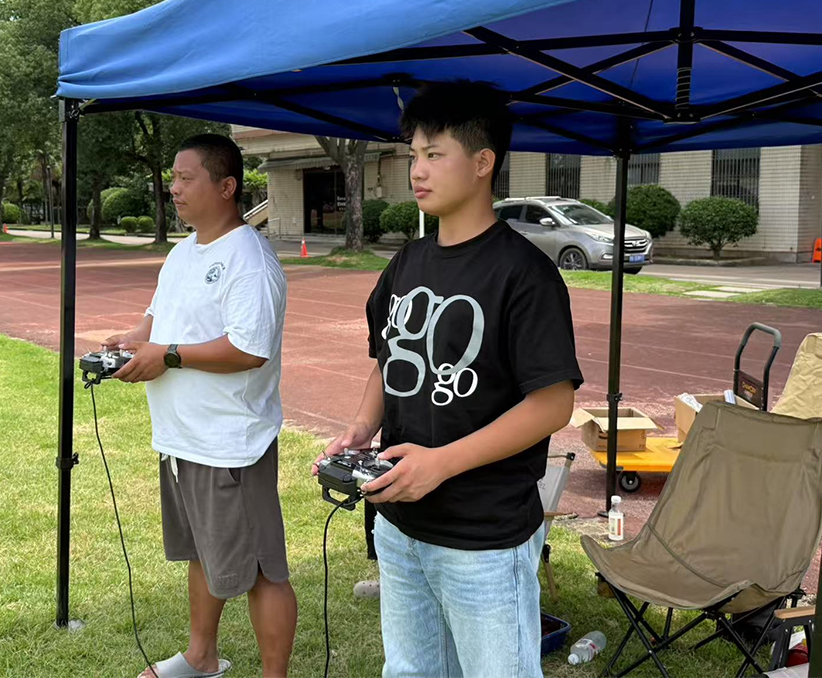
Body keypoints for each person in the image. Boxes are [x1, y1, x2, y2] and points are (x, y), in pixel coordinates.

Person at [314, 81, 583, 677]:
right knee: (410, 671)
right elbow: (388, 358)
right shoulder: (408, 261)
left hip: (484, 537)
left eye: (435, 154)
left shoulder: (525, 274)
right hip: (399, 524)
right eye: (414, 154)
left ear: (483, 163)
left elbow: (552, 404)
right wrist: (362, 427)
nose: (418, 170)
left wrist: (441, 463)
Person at [103, 134, 296, 678]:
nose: (175, 188)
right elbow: (159, 316)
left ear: (227, 186)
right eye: (173, 178)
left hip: (231, 443)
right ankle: (201, 656)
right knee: (201, 552)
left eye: (187, 178)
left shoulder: (248, 260)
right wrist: (136, 337)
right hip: (182, 438)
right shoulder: (183, 251)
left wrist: (168, 354)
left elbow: (249, 349)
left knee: (263, 569)